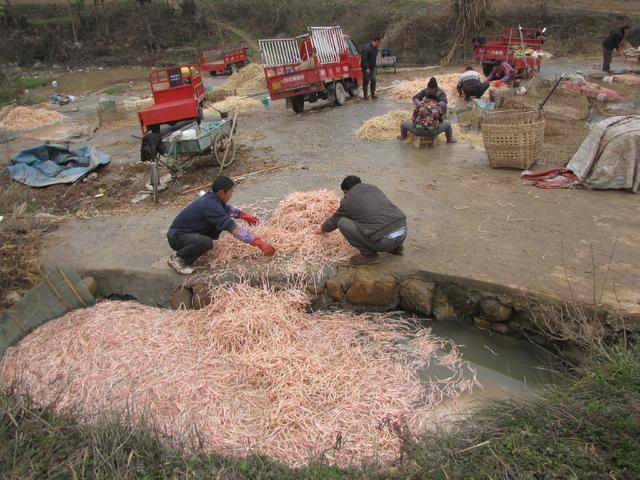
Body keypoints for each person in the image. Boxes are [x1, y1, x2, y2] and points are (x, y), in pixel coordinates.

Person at [166, 176, 276, 274]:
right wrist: (257, 241)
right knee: (206, 243)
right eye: (230, 192)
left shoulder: (212, 199)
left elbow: (227, 209)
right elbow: (233, 228)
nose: (232, 195)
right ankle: (179, 259)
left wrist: (244, 215)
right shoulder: (211, 206)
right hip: (177, 237)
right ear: (221, 192)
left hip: (187, 232)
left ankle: (192, 248)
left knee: (213, 231)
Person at [319, 176, 407, 265]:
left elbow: (334, 221)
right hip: (403, 232)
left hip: (385, 243)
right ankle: (397, 248)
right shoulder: (373, 189)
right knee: (381, 216)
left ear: (345, 191)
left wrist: (321, 230)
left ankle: (369, 256)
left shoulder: (348, 200)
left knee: (342, 222)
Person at [361, 35, 381, 100]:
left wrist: (374, 66)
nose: (380, 44)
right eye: (379, 42)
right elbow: (364, 58)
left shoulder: (376, 49)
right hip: (366, 67)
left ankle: (373, 94)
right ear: (376, 41)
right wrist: (366, 68)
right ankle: (365, 95)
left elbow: (374, 58)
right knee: (366, 81)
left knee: (373, 80)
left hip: (373, 67)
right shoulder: (367, 48)